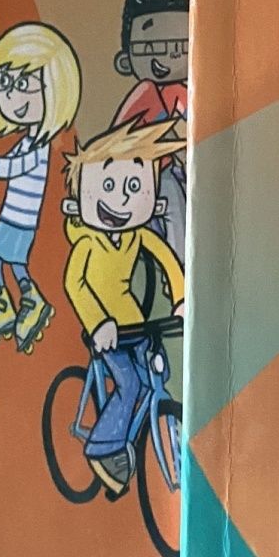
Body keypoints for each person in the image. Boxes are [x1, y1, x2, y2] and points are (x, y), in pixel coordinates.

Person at [61, 120, 186, 495]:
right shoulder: (87, 242)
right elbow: (75, 284)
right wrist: (98, 323)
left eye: (134, 187)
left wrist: (181, 300)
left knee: (157, 377)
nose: (121, 200)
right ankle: (102, 447)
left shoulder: (137, 235)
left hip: (135, 325)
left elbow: (167, 260)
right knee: (129, 383)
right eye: (108, 187)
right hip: (104, 332)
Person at [0, 22, 81, 352]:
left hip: (21, 221)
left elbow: (8, 168)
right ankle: (9, 303)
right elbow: (5, 161)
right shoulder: (26, 141)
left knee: (8, 261)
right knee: (2, 261)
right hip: (12, 217)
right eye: (5, 84)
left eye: (24, 84)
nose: (11, 95)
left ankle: (29, 301)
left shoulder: (38, 148)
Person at [112, 0, 189, 262]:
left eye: (180, 45)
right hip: (139, 175)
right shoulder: (145, 93)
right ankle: (179, 271)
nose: (169, 56)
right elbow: (122, 138)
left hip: (164, 169)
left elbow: (196, 122)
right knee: (174, 208)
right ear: (126, 60)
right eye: (150, 47)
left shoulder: (176, 90)